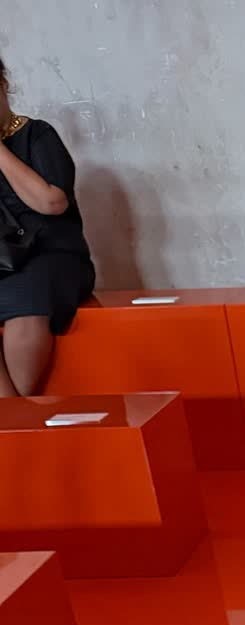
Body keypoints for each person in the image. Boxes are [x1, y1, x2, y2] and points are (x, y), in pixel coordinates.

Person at [0, 55, 95, 397]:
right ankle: (11, 414)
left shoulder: (37, 135)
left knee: (26, 299)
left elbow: (52, 203)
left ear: (3, 85)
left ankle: (14, 412)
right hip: (3, 260)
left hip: (52, 253)